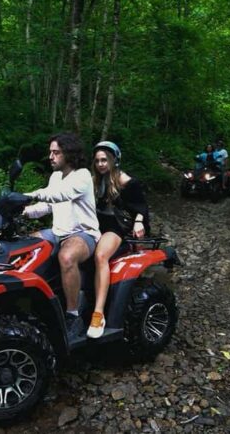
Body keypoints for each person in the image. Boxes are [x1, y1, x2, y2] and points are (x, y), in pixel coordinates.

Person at [22, 133, 101, 341]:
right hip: (57, 232)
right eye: (50, 152)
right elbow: (47, 205)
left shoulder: (82, 175)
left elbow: (62, 195)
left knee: (67, 257)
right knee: (26, 246)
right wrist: (23, 210)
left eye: (56, 152)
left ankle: (73, 315)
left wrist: (30, 194)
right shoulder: (55, 176)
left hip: (83, 234)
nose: (51, 156)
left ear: (69, 153)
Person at [87, 141, 150, 338]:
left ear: (114, 160)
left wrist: (139, 221)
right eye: (97, 160)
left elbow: (141, 207)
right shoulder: (92, 181)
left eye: (104, 160)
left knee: (101, 255)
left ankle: (98, 313)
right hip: (93, 224)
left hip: (116, 226)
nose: (101, 164)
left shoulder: (126, 181)